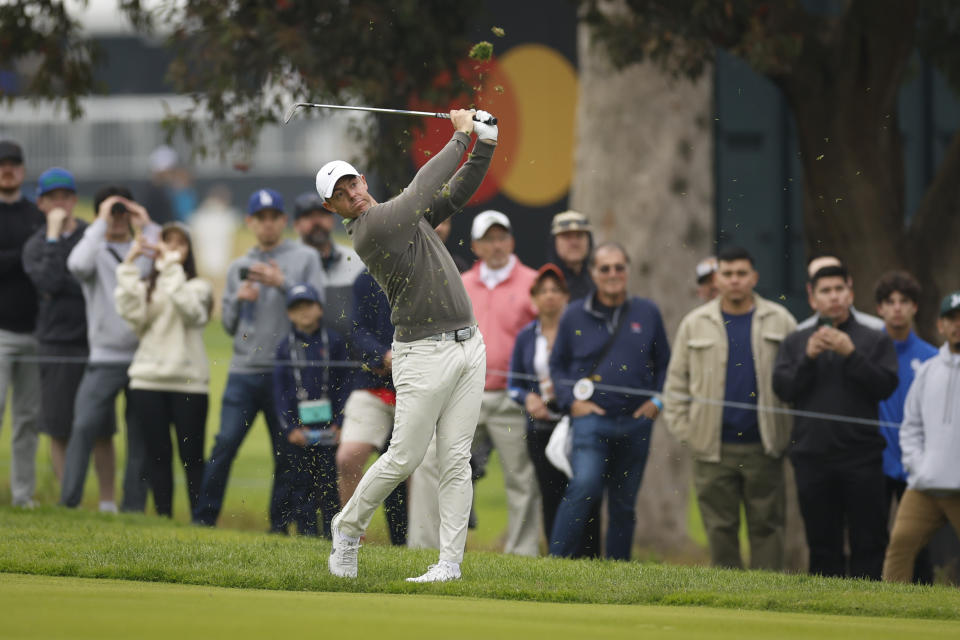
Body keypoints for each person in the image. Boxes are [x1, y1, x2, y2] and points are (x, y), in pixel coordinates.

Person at [321, 108, 498, 583]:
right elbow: (423, 188)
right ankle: (347, 526)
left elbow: (453, 194)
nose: (353, 195)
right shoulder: (373, 229)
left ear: (362, 179)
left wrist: (487, 143)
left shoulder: (399, 218)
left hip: (468, 345)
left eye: (353, 183)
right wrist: (462, 135)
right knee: (404, 456)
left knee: (456, 459)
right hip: (422, 353)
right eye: (340, 195)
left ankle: (449, 565)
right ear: (332, 209)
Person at [410, 209, 541, 556]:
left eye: (502, 238)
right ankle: (424, 546)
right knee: (430, 462)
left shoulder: (532, 283)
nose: (496, 245)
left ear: (511, 242)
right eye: (488, 239)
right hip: (465, 395)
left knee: (520, 476)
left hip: (512, 399)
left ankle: (523, 551)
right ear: (477, 246)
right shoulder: (460, 282)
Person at [193, 188, 326, 530]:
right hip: (243, 371)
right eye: (260, 219)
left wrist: (283, 284)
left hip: (286, 373)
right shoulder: (239, 266)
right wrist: (238, 299)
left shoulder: (304, 258)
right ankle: (203, 520)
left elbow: (318, 309)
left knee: (285, 453)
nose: (267, 225)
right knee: (225, 444)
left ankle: (278, 527)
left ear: (283, 220)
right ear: (250, 222)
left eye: (274, 218)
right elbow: (227, 325)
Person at [663, 247, 796, 570]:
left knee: (767, 528)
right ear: (717, 279)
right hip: (712, 448)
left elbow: (798, 383)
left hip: (763, 447)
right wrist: (688, 433)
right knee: (720, 529)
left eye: (741, 274)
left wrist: (787, 435)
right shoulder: (695, 324)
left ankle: (766, 598)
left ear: (754, 277)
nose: (734, 280)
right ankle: (728, 598)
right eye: (727, 274)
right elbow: (676, 385)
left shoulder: (781, 321)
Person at [773, 264, 898, 580]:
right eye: (825, 292)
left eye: (839, 290)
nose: (834, 298)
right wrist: (808, 359)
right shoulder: (796, 341)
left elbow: (886, 386)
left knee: (868, 543)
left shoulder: (874, 339)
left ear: (851, 293)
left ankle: (868, 613)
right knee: (822, 545)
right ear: (812, 299)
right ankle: (826, 612)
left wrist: (852, 354)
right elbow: (784, 389)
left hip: (862, 459)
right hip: (812, 459)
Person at [548, 242, 671, 560]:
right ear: (593, 274)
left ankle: (617, 572)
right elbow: (557, 365)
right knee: (584, 486)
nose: (613, 274)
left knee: (624, 502)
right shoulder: (574, 314)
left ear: (627, 271)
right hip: (591, 420)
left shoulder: (648, 312)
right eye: (605, 268)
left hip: (636, 422)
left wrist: (657, 402)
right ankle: (555, 562)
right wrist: (569, 401)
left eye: (619, 267)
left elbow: (665, 364)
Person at [62, 186, 160, 512]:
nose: (118, 219)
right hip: (104, 357)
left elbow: (166, 260)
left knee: (141, 438)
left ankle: (134, 508)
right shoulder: (95, 251)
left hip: (143, 357)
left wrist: (146, 224)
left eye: (123, 213)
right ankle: (69, 502)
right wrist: (101, 221)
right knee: (83, 426)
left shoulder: (143, 248)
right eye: (112, 213)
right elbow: (76, 265)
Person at [114, 223, 213, 517]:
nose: (171, 249)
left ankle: (199, 516)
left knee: (192, 457)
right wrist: (129, 265)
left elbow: (192, 312)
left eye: (179, 244)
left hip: (189, 383)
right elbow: (132, 317)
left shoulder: (200, 287)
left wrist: (170, 269)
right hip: (147, 381)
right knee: (157, 455)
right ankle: (163, 516)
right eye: (166, 242)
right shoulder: (148, 286)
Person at [22, 168, 107, 498]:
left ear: (74, 200)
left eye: (66, 197)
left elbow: (89, 281)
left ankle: (107, 501)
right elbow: (50, 282)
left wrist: (65, 280)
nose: (60, 203)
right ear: (41, 203)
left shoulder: (90, 237)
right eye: (52, 198)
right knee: (58, 425)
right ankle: (68, 498)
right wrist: (54, 238)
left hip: (93, 341)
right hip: (54, 342)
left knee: (99, 427)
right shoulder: (35, 244)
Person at [507, 264, 601, 556]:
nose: (549, 296)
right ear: (534, 298)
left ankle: (590, 557)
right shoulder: (526, 336)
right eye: (543, 291)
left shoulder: (581, 332)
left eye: (555, 290)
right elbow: (513, 384)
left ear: (565, 297)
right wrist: (528, 399)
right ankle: (557, 558)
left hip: (578, 423)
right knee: (551, 494)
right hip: (542, 427)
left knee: (586, 490)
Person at [882, 290, 960, 582]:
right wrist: (919, 466)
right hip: (926, 487)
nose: (957, 325)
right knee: (900, 547)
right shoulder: (928, 371)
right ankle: (891, 616)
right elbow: (911, 426)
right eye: (951, 319)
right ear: (941, 325)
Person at [873, 271, 938, 583]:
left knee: (917, 539)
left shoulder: (932, 358)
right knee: (873, 535)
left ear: (915, 307)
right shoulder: (867, 352)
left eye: (904, 301)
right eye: (890, 302)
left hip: (917, 463)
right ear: (879, 309)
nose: (897, 308)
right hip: (876, 461)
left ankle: (922, 595)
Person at [336, 268, 408, 546]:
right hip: (373, 383)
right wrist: (382, 355)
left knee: (418, 467)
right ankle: (351, 538)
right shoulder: (366, 279)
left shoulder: (422, 274)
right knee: (348, 458)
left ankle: (415, 543)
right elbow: (355, 330)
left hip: (416, 388)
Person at [272, 283, 348, 537]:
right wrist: (291, 427)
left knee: (328, 484)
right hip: (299, 430)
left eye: (309, 305)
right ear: (289, 314)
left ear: (319, 308)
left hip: (330, 428)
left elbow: (343, 384)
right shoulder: (285, 346)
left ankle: (331, 534)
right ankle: (306, 534)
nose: (304, 312)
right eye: (297, 308)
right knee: (301, 482)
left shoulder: (334, 342)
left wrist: (340, 421)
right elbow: (280, 391)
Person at [0, 139, 43, 507]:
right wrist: (26, 254)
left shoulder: (36, 215)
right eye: (2, 164)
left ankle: (22, 495)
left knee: (27, 421)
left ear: (23, 170)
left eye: (13, 163)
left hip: (35, 332)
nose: (7, 169)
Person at [291, 192, 365, 336]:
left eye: (322, 215)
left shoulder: (356, 260)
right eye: (308, 216)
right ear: (296, 225)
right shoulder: (286, 264)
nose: (317, 222)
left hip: (351, 352)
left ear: (332, 220)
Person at [797, 254, 884, 331]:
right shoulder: (798, 335)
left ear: (849, 283)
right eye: (825, 290)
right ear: (810, 290)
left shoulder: (877, 329)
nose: (833, 296)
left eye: (839, 288)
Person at [546, 210, 594, 300]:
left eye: (579, 235)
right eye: (566, 236)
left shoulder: (600, 279)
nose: (574, 242)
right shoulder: (543, 283)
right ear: (554, 242)